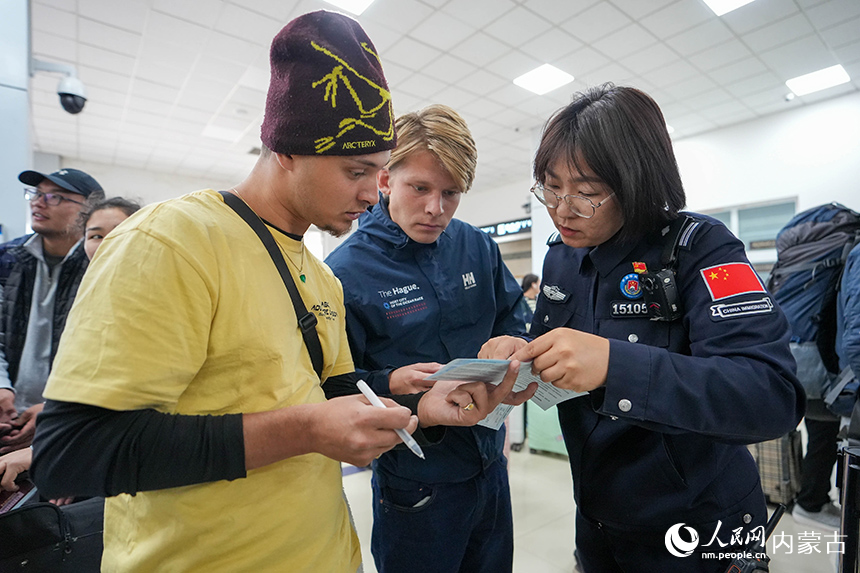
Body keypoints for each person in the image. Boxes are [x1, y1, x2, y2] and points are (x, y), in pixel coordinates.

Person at [29, 12, 529, 573]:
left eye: (380, 172)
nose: (372, 194)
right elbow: (74, 451)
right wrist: (306, 429)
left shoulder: (317, 275)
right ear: (286, 149)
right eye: (356, 171)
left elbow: (335, 389)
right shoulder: (173, 242)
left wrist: (421, 404)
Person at [480, 84, 804, 572]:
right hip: (598, 518)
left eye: (587, 193)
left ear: (637, 182)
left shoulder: (702, 249)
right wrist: (522, 355)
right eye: (549, 186)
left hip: (699, 525)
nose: (561, 208)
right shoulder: (562, 257)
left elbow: (770, 395)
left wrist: (616, 365)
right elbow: (559, 344)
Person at [325, 104, 530, 573]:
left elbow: (512, 318)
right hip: (416, 480)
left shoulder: (476, 246)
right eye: (419, 188)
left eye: (451, 194)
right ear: (385, 181)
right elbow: (337, 387)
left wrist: (512, 344)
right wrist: (409, 398)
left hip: (489, 463)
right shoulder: (345, 273)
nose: (435, 208)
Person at [0, 197, 140, 507]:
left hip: (119, 470)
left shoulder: (146, 301)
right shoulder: (96, 295)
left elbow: (131, 402)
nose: (105, 243)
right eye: (95, 235)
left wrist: (56, 453)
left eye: (119, 231)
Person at [0, 168, 104, 454]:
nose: (38, 202)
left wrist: (57, 406)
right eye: (36, 194)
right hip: (8, 412)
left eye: (55, 197)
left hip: (69, 419)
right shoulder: (7, 258)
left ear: (89, 210)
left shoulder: (101, 267)